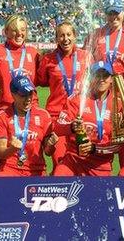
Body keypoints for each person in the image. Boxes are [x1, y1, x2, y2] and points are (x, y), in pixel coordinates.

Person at [37, 21, 90, 168]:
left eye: (68, 34)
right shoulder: (48, 59)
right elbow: (40, 80)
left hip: (79, 116)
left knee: (82, 162)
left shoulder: (86, 56)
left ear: (75, 36)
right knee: (59, 162)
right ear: (56, 38)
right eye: (61, 35)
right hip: (56, 116)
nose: (65, 39)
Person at [52, 61, 120, 176]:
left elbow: (119, 146)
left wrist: (95, 148)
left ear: (111, 79)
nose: (101, 79)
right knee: (59, 178)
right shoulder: (77, 99)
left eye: (105, 76)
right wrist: (72, 127)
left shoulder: (118, 105)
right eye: (97, 76)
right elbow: (57, 128)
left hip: (100, 165)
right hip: (73, 160)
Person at [0, 75, 57, 176]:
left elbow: (48, 152)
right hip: (10, 169)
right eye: (23, 95)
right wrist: (12, 149)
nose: (28, 99)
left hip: (36, 169)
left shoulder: (43, 115)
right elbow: (0, 153)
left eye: (30, 93)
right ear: (13, 95)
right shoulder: (1, 116)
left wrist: (51, 144)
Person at [0, 14, 40, 112]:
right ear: (6, 31)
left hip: (31, 108)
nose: (19, 33)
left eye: (23, 30)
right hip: (6, 110)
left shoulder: (33, 53)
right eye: (15, 30)